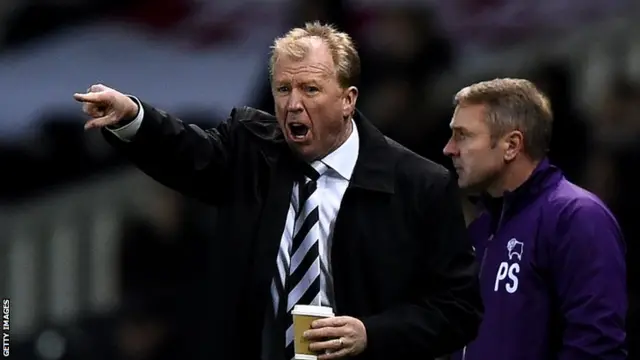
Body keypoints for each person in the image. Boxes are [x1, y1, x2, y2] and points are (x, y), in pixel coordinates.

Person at [74, 22, 482, 360]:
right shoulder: (251, 152)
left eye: (310, 89)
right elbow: (187, 150)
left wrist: (370, 333)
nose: (293, 104)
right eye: (284, 90)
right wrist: (133, 117)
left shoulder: (419, 185)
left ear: (347, 99)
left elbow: (458, 309)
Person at [443, 78, 627, 360]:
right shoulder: (482, 230)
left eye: (462, 135)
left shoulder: (576, 217)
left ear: (512, 145)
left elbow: (596, 345)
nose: (449, 149)